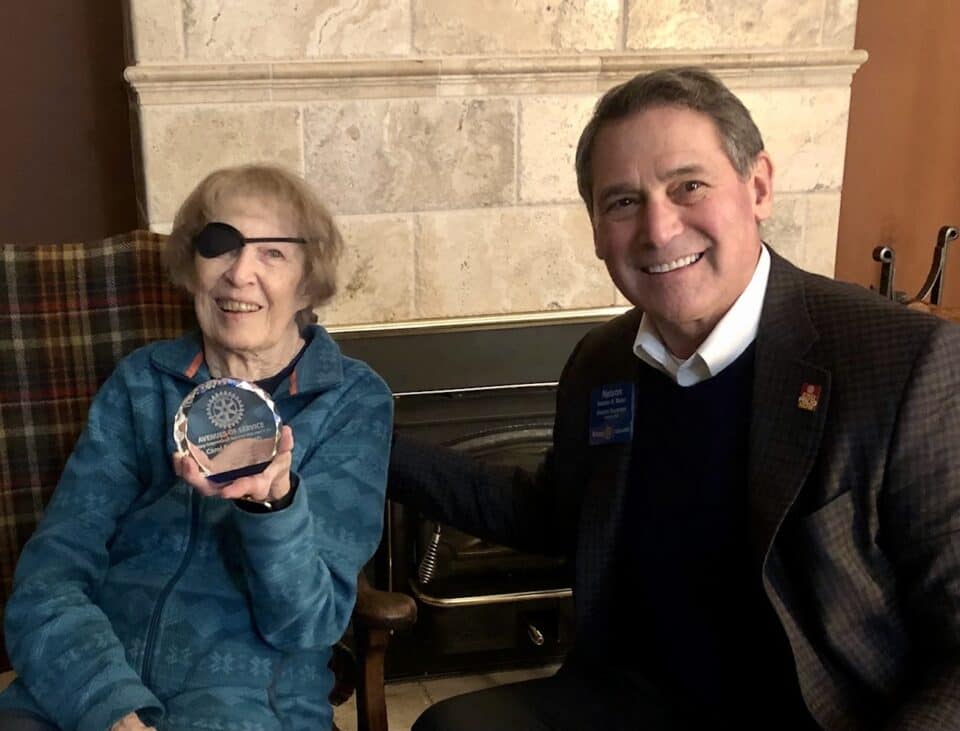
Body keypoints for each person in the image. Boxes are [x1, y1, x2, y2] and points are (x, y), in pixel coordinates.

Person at [388, 67, 960, 729]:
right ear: (597, 231)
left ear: (758, 186)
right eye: (623, 201)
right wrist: (371, 444)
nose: (658, 230)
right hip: (633, 697)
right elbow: (550, 515)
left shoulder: (902, 362)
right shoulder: (602, 364)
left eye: (687, 185)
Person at [0, 164, 393, 730]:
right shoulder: (142, 383)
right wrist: (110, 708)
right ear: (192, 267)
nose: (240, 274)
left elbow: (305, 625)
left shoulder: (351, 401)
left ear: (309, 279)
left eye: (273, 254)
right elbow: (51, 573)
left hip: (247, 702)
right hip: (90, 680)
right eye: (220, 247)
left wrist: (273, 509)